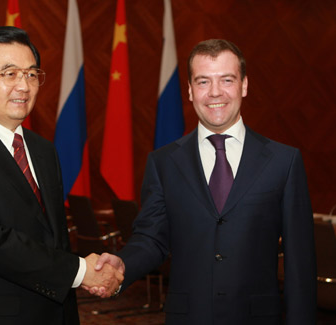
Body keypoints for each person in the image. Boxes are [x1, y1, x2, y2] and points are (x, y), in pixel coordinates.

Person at [91, 39, 316, 324]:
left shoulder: (284, 162)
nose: (215, 93)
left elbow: (300, 262)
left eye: (227, 80)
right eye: (203, 82)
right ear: (189, 90)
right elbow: (151, 239)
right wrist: (123, 263)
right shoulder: (163, 163)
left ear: (244, 85)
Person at [0, 26, 122, 325]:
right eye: (9, 73)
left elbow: (52, 240)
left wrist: (87, 273)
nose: (24, 86)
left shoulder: (43, 150)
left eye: (31, 74)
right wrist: (80, 271)